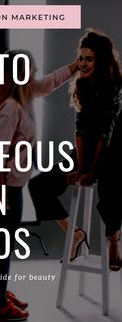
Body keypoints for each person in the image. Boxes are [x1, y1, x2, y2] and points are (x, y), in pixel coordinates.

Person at [0, 49, 77, 322]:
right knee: (1, 243)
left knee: (4, 241)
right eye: (31, 70)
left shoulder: (25, 94)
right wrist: (3, 195)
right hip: (4, 186)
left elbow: (50, 82)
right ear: (19, 74)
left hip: (10, 185)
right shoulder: (12, 107)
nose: (36, 75)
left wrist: (74, 66)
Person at [28, 28, 122, 271]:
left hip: (110, 153)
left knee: (110, 194)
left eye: (88, 58)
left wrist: (90, 171)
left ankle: (114, 238)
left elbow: (106, 133)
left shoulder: (115, 87)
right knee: (39, 186)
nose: (82, 63)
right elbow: (79, 131)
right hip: (84, 152)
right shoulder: (82, 85)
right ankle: (75, 234)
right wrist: (80, 166)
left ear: (101, 60)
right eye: (80, 58)